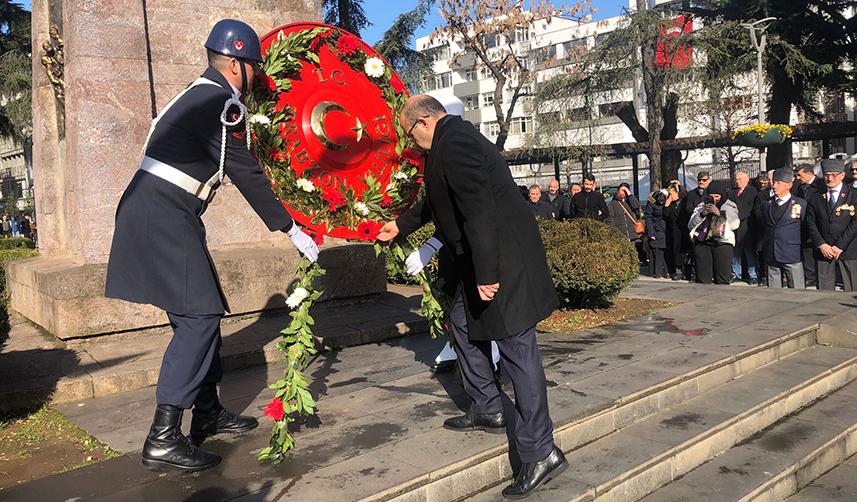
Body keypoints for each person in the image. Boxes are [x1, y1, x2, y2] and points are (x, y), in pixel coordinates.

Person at [105, 20, 319, 473]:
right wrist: (291, 227)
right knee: (199, 318)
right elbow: (246, 173)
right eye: (254, 70)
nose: (257, 78)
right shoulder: (222, 105)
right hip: (162, 214)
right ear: (237, 65)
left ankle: (207, 411)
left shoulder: (200, 94)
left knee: (201, 310)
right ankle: (163, 437)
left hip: (161, 212)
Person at [378, 95, 565, 498]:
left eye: (410, 134)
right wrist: (400, 226)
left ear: (423, 121)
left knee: (518, 351)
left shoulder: (457, 141)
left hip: (502, 261)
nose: (411, 143)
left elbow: (478, 208)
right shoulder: (447, 142)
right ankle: (488, 405)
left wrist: (487, 273)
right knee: (462, 324)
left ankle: (541, 451)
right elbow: (437, 200)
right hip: (484, 259)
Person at [806, 159, 857, 291]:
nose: (830, 178)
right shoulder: (815, 195)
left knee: (850, 289)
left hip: (848, 250)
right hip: (824, 251)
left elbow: (855, 223)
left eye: (834, 175)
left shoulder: (853, 194)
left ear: (842, 175)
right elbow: (811, 222)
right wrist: (821, 244)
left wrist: (839, 246)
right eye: (827, 175)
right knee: (824, 293)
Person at [759, 169, 807, 288]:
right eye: (773, 182)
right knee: (773, 291)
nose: (774, 186)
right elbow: (765, 224)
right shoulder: (766, 204)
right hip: (772, 252)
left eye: (779, 183)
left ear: (789, 185)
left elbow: (805, 227)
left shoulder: (800, 204)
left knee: (797, 290)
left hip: (792, 252)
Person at [688, 180, 740, 285]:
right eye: (711, 196)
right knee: (703, 279)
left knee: (722, 279)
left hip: (722, 243)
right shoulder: (701, 206)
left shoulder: (729, 205)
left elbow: (735, 224)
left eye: (717, 196)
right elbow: (690, 225)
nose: (714, 199)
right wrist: (702, 214)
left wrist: (719, 214)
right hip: (702, 242)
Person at [728, 171, 759, 284]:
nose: (738, 181)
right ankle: (736, 273)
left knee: (749, 251)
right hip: (733, 226)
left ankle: (753, 275)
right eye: (736, 179)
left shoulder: (752, 191)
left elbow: (749, 208)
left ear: (747, 180)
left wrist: (737, 216)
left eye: (740, 179)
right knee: (735, 252)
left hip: (746, 226)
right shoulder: (732, 192)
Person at [663, 183, 686, 280]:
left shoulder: (683, 201)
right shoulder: (670, 204)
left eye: (671, 194)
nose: (670, 196)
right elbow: (666, 217)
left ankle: (685, 270)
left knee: (683, 250)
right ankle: (676, 269)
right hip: (673, 230)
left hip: (683, 229)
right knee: (675, 250)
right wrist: (666, 206)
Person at [646, 190, 669, 278]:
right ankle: (659, 272)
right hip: (656, 230)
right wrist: (651, 232)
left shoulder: (666, 202)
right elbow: (649, 218)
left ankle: (664, 271)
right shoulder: (651, 204)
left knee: (663, 252)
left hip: (664, 229)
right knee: (658, 251)